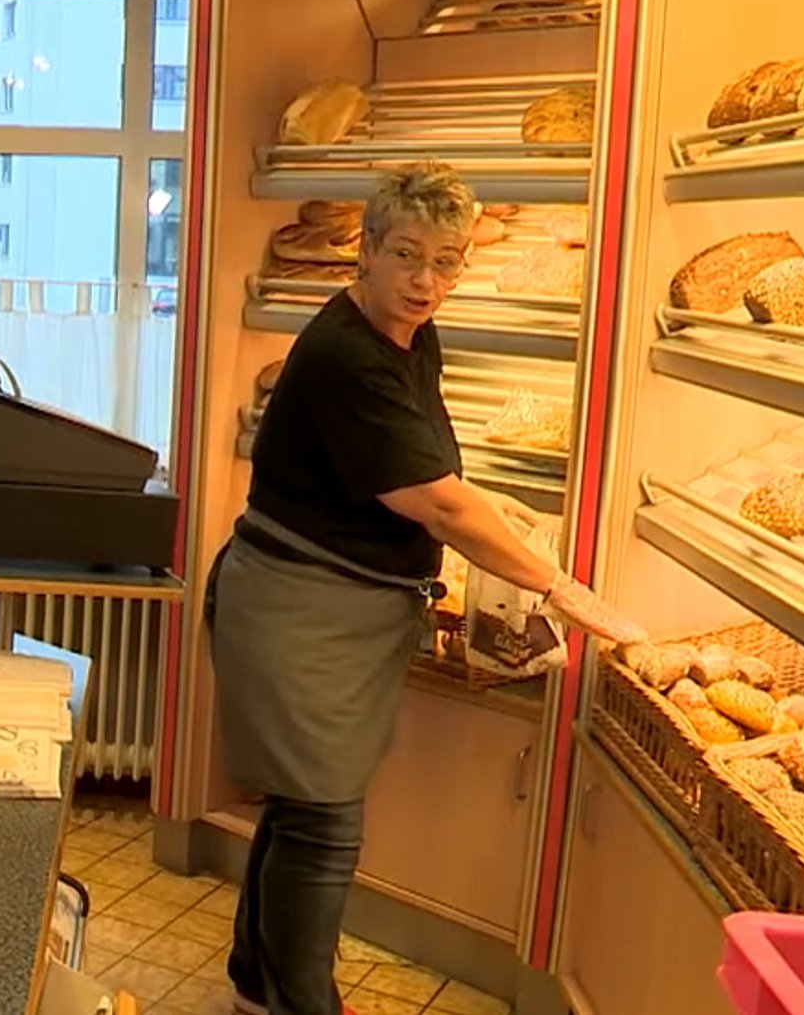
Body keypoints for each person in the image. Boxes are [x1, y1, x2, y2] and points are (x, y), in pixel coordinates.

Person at [207, 161, 643, 1015]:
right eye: (407, 255)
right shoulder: (345, 354)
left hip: (337, 613)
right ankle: (304, 1004)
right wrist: (557, 584)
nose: (426, 281)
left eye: (447, 261)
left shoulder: (410, 335)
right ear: (362, 252)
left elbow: (429, 471)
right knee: (324, 824)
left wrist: (486, 519)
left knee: (299, 812)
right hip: (299, 613)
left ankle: (256, 986)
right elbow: (438, 501)